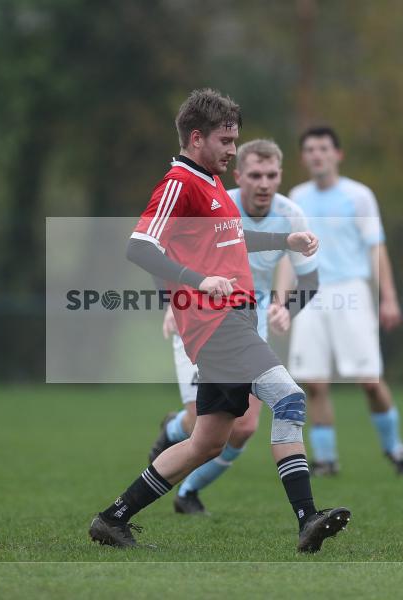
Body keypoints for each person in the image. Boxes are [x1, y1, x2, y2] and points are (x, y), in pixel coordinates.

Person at [88, 89, 350, 553]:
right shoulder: (180, 182)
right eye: (226, 141)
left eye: (235, 140)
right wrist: (197, 280)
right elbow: (139, 246)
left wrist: (283, 240)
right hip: (216, 323)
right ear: (196, 138)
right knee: (289, 398)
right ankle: (308, 518)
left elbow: (232, 242)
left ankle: (113, 518)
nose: (233, 150)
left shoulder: (209, 183)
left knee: (205, 443)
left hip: (236, 321)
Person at [147, 138, 319, 515]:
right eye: (255, 175)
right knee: (199, 425)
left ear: (280, 176)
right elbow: (161, 247)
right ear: (239, 175)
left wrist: (287, 309)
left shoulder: (291, 214)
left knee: (241, 429)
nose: (263, 183)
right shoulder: (217, 202)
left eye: (271, 175)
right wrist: (171, 304)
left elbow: (310, 281)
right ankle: (174, 430)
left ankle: (186, 493)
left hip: (248, 325)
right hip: (200, 318)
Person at [285, 126, 403, 477]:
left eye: (323, 148)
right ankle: (326, 460)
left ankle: (396, 450)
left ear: (337, 154)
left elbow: (377, 247)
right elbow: (290, 253)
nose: (317, 155)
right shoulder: (296, 197)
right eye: (310, 149)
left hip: (352, 290)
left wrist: (388, 297)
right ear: (303, 157)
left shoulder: (359, 196)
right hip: (310, 293)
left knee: (369, 380)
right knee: (313, 382)